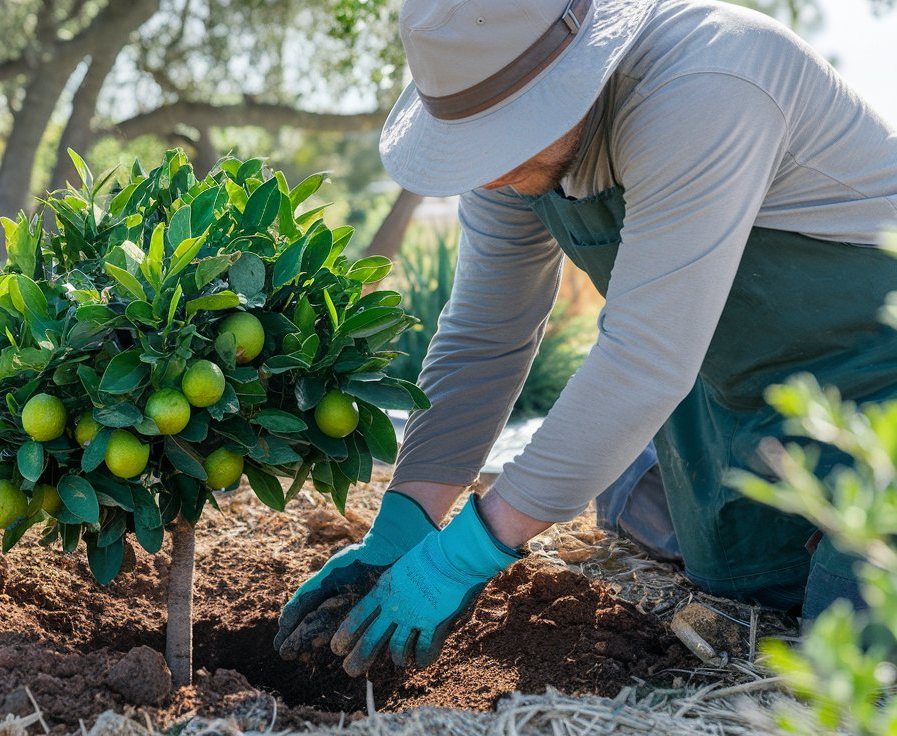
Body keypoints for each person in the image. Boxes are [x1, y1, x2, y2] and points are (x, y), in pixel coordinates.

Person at [273, 0, 897, 677]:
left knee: (853, 646)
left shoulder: (709, 84)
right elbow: (485, 333)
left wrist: (468, 554)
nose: (485, 172)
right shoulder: (502, 137)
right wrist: (403, 525)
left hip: (880, 384)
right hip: (740, 389)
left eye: (500, 136)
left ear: (574, 75)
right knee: (733, 576)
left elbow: (645, 358)